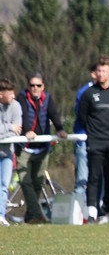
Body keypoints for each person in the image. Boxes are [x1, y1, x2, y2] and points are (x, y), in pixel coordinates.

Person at [77, 56, 109, 223]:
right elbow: (82, 116)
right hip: (96, 142)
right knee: (93, 177)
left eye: (104, 71)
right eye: (99, 71)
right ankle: (92, 214)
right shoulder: (89, 93)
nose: (101, 74)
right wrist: (95, 130)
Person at [15, 72, 67, 223]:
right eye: (32, 85)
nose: (35, 88)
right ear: (28, 86)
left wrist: (60, 129)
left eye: (38, 85)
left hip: (42, 149)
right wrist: (26, 131)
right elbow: (22, 116)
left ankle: (31, 216)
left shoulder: (47, 98)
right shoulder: (22, 98)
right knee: (25, 181)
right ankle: (37, 214)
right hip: (24, 148)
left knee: (38, 182)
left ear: (43, 86)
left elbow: (54, 114)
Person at [0, 79, 23, 227]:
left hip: (7, 153)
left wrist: (5, 131)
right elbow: (12, 129)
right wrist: (9, 127)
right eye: (10, 93)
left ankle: (1, 215)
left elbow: (17, 130)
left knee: (4, 185)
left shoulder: (16, 106)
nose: (13, 96)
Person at [72, 64, 97, 196]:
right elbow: (81, 115)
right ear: (93, 73)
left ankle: (98, 206)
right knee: (82, 178)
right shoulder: (84, 92)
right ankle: (80, 204)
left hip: (101, 139)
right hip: (84, 138)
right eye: (98, 71)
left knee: (100, 177)